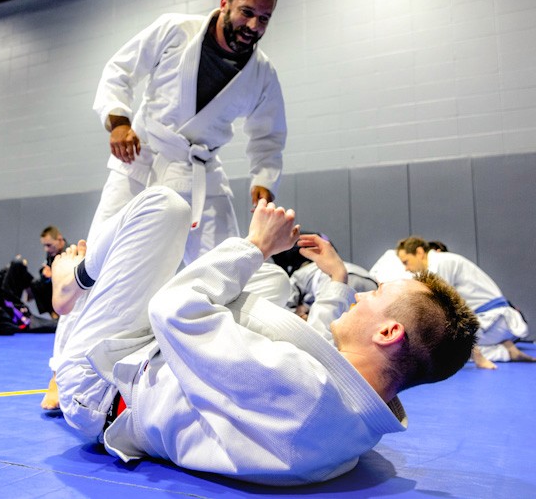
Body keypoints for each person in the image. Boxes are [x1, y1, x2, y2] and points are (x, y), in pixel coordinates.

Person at [50, 186, 478, 486]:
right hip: (147, 366)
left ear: (388, 332)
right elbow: (318, 354)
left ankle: (72, 279)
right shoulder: (352, 416)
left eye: (377, 294)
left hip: (99, 385)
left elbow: (172, 310)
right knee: (271, 282)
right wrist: (337, 281)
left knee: (164, 208)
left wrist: (254, 245)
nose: (364, 298)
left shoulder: (304, 395)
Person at [44, 0, 287, 410]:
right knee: (98, 259)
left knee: (231, 268)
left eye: (264, 19)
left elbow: (268, 136)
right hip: (141, 158)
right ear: (224, 3)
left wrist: (262, 182)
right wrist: (118, 122)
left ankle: (226, 364)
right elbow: (120, 69)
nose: (254, 26)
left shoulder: (262, 74)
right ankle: (63, 370)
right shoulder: (175, 29)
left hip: (201, 170)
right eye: (247, 12)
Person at [396, 236, 534, 370]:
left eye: (406, 262)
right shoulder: (444, 260)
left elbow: (448, 312)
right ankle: (506, 347)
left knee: (441, 350)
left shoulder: (440, 264)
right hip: (496, 324)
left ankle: (504, 353)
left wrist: (476, 354)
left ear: (419, 252)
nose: (406, 268)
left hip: (494, 322)